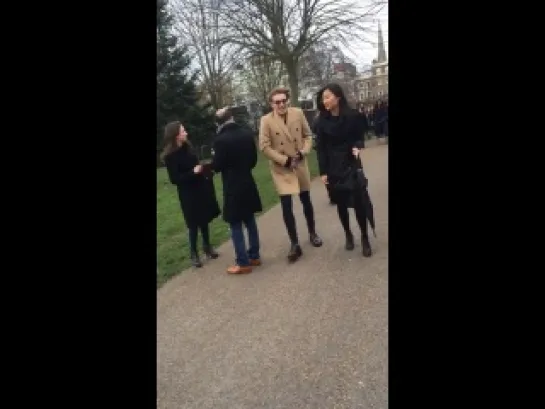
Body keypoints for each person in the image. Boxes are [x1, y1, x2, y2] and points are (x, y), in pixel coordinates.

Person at [259, 87, 323, 262]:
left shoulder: (298, 113)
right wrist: (284, 160)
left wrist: (303, 152)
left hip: (300, 162)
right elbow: (264, 146)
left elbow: (308, 135)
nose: (281, 104)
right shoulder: (266, 120)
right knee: (286, 206)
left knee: (306, 200)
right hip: (282, 168)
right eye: (277, 102)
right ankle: (294, 243)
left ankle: (312, 233)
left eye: (283, 101)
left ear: (287, 100)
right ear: (271, 104)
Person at [314, 83, 373, 257]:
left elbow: (359, 136)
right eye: (323, 98)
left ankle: (364, 237)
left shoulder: (352, 116)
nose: (325, 101)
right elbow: (321, 148)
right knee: (340, 202)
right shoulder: (320, 122)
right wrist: (323, 172)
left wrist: (357, 146)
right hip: (333, 166)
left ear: (337, 97)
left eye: (328, 97)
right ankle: (348, 233)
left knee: (359, 201)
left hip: (350, 162)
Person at [161, 121, 221, 268]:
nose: (186, 133)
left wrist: (203, 169)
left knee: (205, 219)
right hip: (187, 193)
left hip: (200, 187)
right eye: (183, 131)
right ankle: (193, 253)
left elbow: (196, 165)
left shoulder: (189, 148)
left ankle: (207, 247)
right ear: (176, 135)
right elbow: (175, 179)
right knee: (193, 223)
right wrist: (192, 173)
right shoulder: (170, 156)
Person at [212, 108, 263, 274]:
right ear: (232, 117)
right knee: (249, 219)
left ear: (218, 123)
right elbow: (254, 160)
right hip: (247, 180)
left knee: (235, 223)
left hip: (232, 184)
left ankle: (243, 262)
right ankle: (254, 255)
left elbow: (217, 166)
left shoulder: (220, 140)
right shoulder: (247, 134)